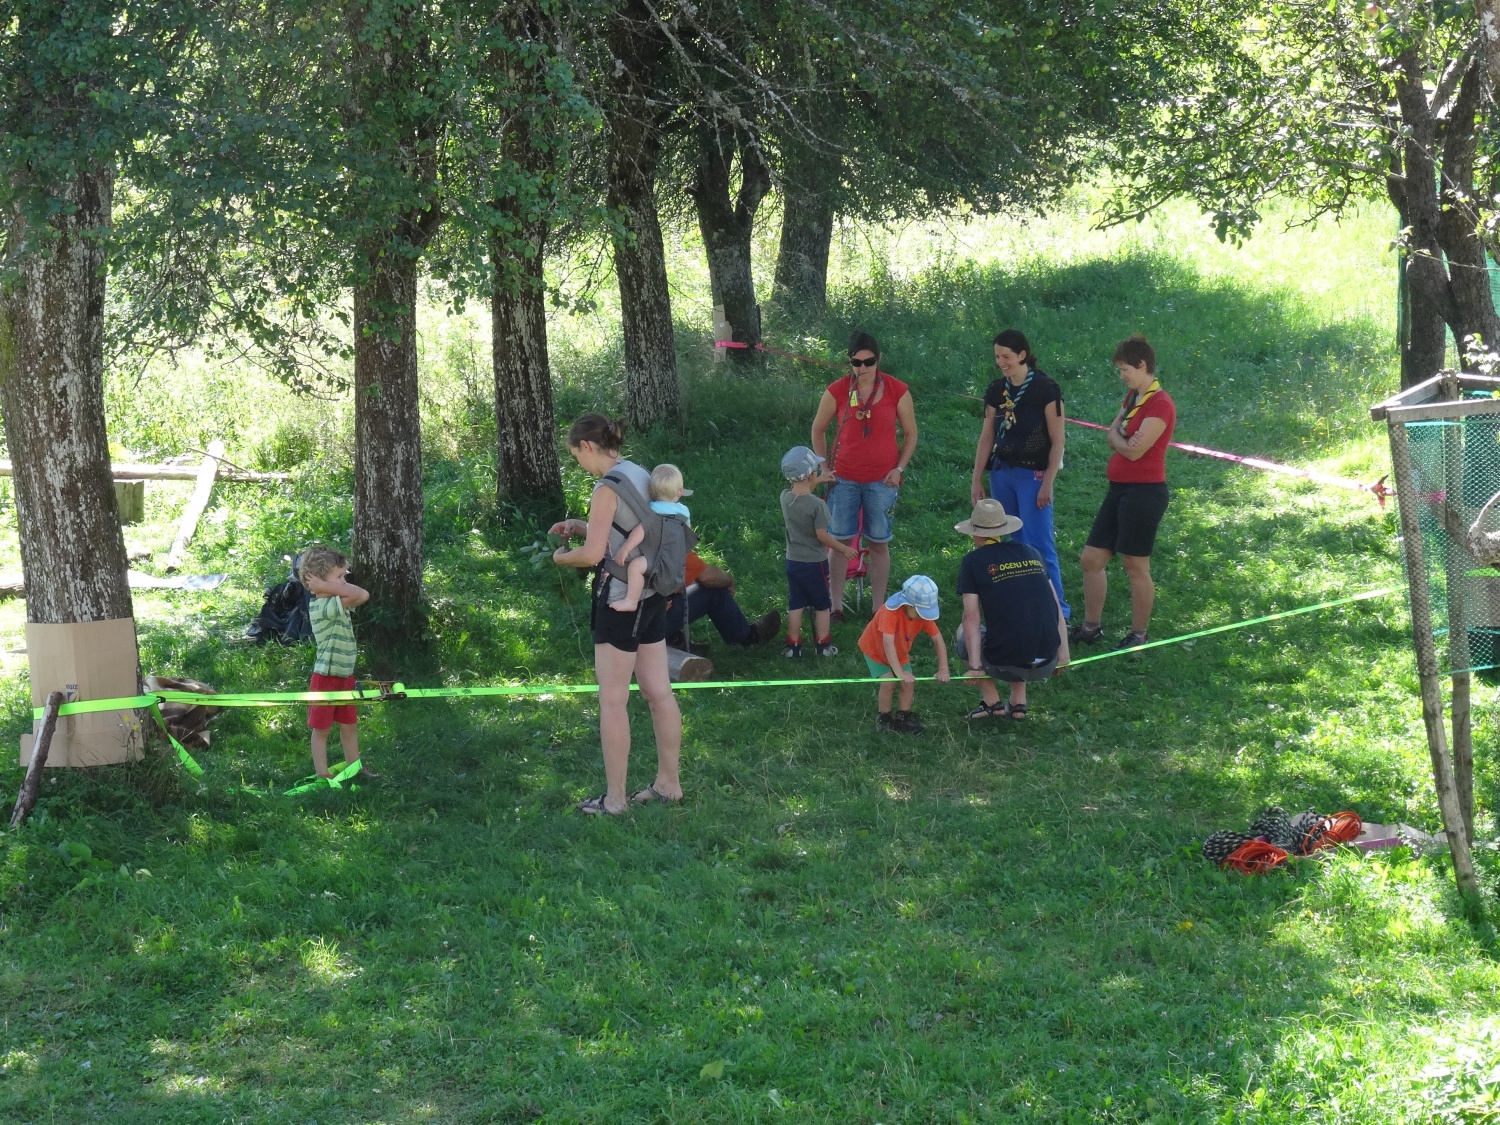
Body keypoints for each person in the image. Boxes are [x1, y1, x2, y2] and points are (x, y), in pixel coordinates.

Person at [550, 414, 683, 815]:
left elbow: (592, 556)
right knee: (659, 693)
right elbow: (627, 527)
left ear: (587, 447)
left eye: (577, 456)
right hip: (653, 595)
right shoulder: (639, 473)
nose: (580, 465)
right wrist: (583, 524)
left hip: (620, 600)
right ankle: (668, 784)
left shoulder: (606, 487)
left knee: (612, 700)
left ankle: (615, 799)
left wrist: (561, 557)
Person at [1071, 335, 1176, 650]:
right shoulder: (1132, 398)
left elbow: (1133, 450)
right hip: (1119, 490)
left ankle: (1139, 635)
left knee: (1135, 565)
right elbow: (1112, 434)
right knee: (1091, 558)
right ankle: (1091, 627)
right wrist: (1119, 438)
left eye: (1125, 369)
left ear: (1142, 365)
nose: (1122, 376)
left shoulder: (1160, 404)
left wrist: (1118, 438)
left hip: (1145, 493)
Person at [810, 331, 918, 620]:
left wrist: (899, 469)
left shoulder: (897, 390)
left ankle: (878, 607)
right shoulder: (837, 390)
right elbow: (818, 429)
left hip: (882, 480)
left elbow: (911, 434)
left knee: (879, 542)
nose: (863, 368)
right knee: (839, 542)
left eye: (869, 362)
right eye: (856, 363)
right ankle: (834, 606)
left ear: (878, 359)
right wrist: (824, 468)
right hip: (843, 477)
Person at [969, 329, 1069, 619]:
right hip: (1003, 472)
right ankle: (1021, 602)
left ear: (1022, 355)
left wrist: (1048, 482)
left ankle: (1056, 609)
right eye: (998, 356)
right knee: (1007, 542)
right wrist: (977, 478)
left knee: (1037, 543)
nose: (1001, 362)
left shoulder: (1046, 389)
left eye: (1007, 356)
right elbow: (987, 437)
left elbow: (1058, 440)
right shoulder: (996, 390)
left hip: (1033, 475)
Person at [953, 498, 1070, 722]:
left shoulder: (973, 561)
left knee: (963, 632)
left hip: (1006, 664)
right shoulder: (1032, 553)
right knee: (1022, 618)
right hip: (1048, 659)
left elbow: (971, 616)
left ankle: (991, 701)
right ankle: (1018, 703)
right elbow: (1055, 606)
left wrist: (976, 667)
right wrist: (1063, 654)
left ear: (975, 534)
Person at [298, 546, 376, 780]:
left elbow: (358, 595)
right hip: (326, 678)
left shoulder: (337, 601)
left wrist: (329, 585)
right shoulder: (323, 606)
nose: (344, 582)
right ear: (320, 583)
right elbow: (362, 594)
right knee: (322, 729)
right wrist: (324, 588)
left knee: (349, 725)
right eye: (340, 576)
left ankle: (355, 769)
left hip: (345, 676)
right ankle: (323, 776)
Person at [780, 445, 857, 658]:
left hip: (793, 562)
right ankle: (823, 645)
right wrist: (843, 549)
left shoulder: (785, 498)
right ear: (812, 473)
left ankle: (793, 646)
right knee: (823, 605)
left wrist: (818, 480)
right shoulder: (817, 506)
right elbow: (822, 536)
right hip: (814, 563)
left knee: (796, 604)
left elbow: (802, 488)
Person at [857, 574, 950, 735]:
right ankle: (884, 717)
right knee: (889, 682)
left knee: (908, 683)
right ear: (908, 604)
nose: (924, 615)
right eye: (921, 611)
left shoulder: (922, 614)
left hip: (900, 653)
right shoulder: (890, 612)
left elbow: (938, 640)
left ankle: (903, 716)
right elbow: (887, 643)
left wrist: (943, 668)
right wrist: (898, 672)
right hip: (876, 652)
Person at [612, 463, 692, 613]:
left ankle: (631, 600)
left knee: (635, 566)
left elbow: (640, 531)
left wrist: (625, 548)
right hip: (675, 561)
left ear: (649, 490)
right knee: (667, 577)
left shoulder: (652, 511)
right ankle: (667, 599)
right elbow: (688, 533)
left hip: (656, 559)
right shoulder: (684, 512)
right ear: (680, 491)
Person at [663, 551, 780, 651]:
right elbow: (706, 576)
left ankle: (674, 639)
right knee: (713, 590)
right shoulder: (665, 538)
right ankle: (749, 637)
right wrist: (728, 580)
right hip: (650, 626)